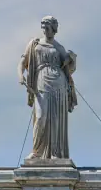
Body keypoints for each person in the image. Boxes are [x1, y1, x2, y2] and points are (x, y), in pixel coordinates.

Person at [19, 15, 77, 162]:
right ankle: (37, 151)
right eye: (43, 28)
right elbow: (22, 61)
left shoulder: (59, 47)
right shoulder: (34, 44)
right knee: (41, 116)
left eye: (48, 28)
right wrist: (20, 75)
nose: (45, 31)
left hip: (59, 84)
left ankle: (56, 153)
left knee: (56, 119)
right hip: (41, 82)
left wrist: (71, 59)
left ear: (54, 29)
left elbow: (70, 68)